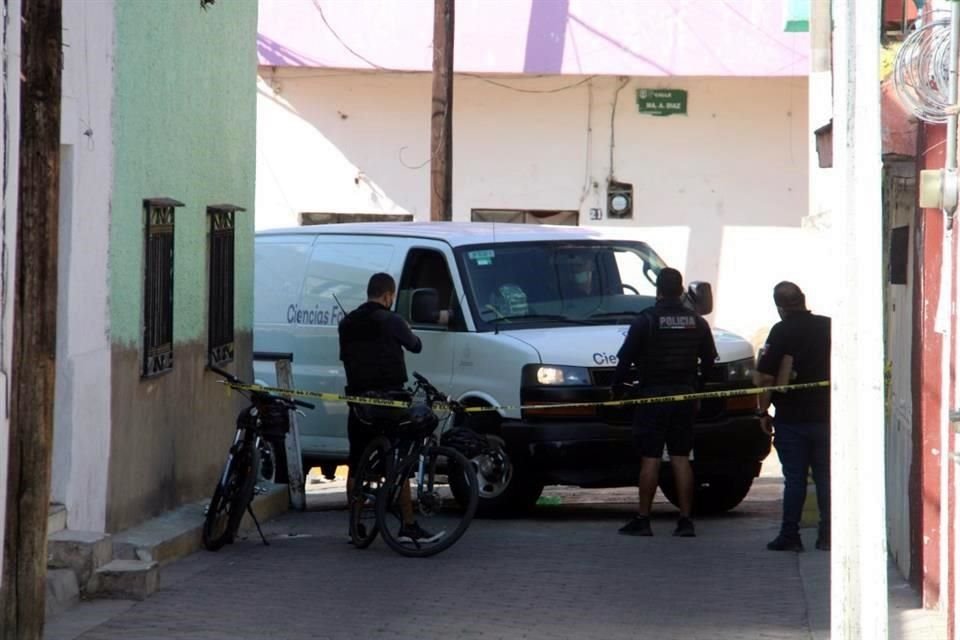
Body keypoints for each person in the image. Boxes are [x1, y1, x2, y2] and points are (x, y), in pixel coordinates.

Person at [611, 267, 718, 537]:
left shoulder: (645, 320)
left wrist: (617, 390)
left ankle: (643, 519)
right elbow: (709, 361)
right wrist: (698, 388)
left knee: (651, 459)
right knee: (682, 458)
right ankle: (685, 521)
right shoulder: (697, 321)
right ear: (681, 290)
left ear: (657, 290)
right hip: (684, 396)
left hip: (652, 397)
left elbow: (624, 361)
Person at [338, 272, 438, 544]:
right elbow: (415, 346)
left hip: (359, 403)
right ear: (388, 296)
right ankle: (407, 523)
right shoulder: (392, 320)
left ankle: (355, 525)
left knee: (356, 464)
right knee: (401, 460)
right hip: (390, 402)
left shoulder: (346, 323)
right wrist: (405, 327)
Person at [754, 281, 831, 552]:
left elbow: (765, 376)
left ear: (780, 307)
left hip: (792, 418)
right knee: (825, 477)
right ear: (803, 299)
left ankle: (790, 535)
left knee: (795, 479)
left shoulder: (781, 331)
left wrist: (762, 412)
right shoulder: (828, 326)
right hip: (827, 416)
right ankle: (828, 535)